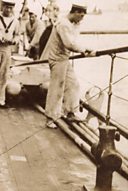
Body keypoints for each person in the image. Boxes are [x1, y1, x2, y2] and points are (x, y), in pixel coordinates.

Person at [40, 1, 96, 129]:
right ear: (75, 12)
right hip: (57, 59)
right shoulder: (63, 24)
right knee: (57, 88)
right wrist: (85, 49)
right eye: (81, 15)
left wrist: (77, 26)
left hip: (64, 58)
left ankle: (70, 111)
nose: (82, 18)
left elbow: (74, 40)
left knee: (73, 84)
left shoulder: (71, 23)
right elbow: (69, 44)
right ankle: (50, 118)